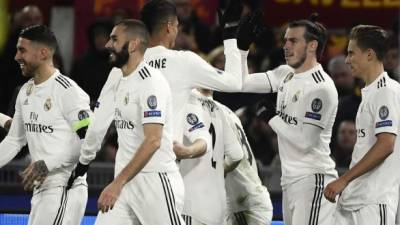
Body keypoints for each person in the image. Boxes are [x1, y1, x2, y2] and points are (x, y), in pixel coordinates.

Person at [76, 19, 185, 224]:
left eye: (114, 39)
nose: (108, 44)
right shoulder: (116, 75)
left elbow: (153, 141)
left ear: (133, 44)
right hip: (125, 183)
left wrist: (117, 183)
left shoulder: (151, 81)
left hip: (155, 182)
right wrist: (82, 163)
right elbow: (98, 123)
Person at [238, 13, 338, 225]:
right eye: (285, 40)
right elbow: (241, 82)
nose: (286, 46)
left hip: (313, 179)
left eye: (293, 40)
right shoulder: (285, 74)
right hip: (290, 181)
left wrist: (271, 117)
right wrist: (241, 48)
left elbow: (304, 142)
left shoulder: (321, 87)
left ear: (312, 46)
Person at [0, 25, 90, 225]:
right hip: (42, 189)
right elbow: (15, 140)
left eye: (22, 50)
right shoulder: (25, 92)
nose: (16, 56)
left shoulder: (68, 92)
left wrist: (47, 163)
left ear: (43, 53)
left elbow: (89, 141)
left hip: (65, 187)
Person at [324, 25, 400, 225]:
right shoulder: (371, 93)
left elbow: (386, 145)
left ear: (369, 55)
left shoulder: (386, 92)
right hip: (354, 201)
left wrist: (344, 179)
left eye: (351, 53)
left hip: (373, 204)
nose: (347, 60)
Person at [140, 0, 243, 143]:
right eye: (176, 26)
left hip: (127, 162)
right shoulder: (184, 61)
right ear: (169, 28)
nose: (177, 31)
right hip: (163, 159)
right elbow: (235, 83)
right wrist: (231, 38)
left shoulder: (126, 66)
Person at [174, 89, 243, 225]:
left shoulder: (186, 102)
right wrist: (218, 172)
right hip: (218, 206)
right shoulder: (219, 109)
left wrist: (186, 152)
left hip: (192, 205)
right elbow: (236, 155)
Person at [223, 98, 274, 225]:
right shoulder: (229, 116)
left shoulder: (217, 121)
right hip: (253, 200)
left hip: (246, 204)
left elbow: (235, 156)